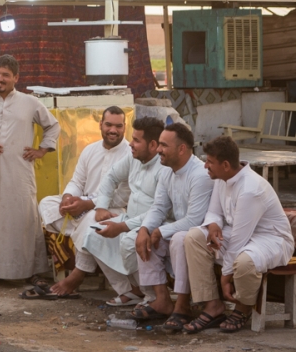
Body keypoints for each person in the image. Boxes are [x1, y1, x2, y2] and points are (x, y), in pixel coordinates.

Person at [0, 54, 60, 285]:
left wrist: (42, 150)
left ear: (16, 77)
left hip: (19, 173)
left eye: (5, 75)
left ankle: (30, 271)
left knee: (23, 220)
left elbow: (53, 126)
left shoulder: (30, 103)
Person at [182, 136, 294, 333]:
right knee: (194, 237)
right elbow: (214, 210)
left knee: (244, 262)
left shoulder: (251, 188)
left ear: (225, 165)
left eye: (209, 162)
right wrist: (214, 223)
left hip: (272, 240)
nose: (205, 165)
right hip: (240, 234)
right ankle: (212, 304)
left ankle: (243, 308)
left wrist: (226, 277)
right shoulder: (221, 178)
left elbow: (239, 241)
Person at [30, 106, 131, 299]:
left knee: (94, 220)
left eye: (118, 126)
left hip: (112, 210)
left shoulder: (130, 155)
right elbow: (77, 181)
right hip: (83, 207)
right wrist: (68, 199)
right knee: (47, 203)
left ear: (124, 128)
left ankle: (78, 275)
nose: (113, 130)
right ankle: (84, 233)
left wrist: (88, 205)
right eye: (108, 124)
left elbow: (122, 196)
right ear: (100, 125)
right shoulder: (90, 150)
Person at [130, 123, 214, 329]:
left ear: (182, 149)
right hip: (180, 229)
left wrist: (160, 230)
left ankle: (183, 306)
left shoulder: (200, 175)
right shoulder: (167, 171)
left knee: (178, 239)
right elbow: (158, 207)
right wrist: (145, 230)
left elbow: (195, 219)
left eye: (163, 145)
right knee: (146, 237)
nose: (158, 149)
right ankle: (163, 301)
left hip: (201, 235)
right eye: (159, 144)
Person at [81, 116, 168, 306]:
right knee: (94, 233)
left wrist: (122, 226)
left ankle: (152, 298)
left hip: (154, 224)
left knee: (130, 241)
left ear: (153, 145)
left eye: (137, 140)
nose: (131, 144)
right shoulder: (134, 157)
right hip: (130, 218)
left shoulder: (164, 168)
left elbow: (159, 211)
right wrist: (101, 207)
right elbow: (111, 177)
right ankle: (131, 291)